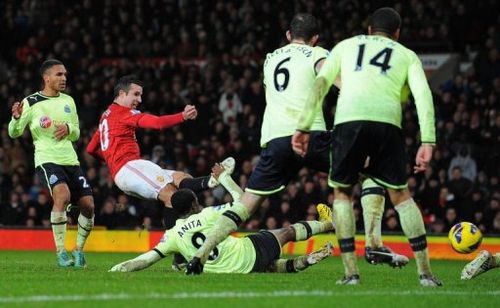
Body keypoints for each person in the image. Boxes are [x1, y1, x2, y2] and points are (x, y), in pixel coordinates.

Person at [186, 13, 407, 275]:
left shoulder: (270, 59)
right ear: (315, 39)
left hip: (275, 142)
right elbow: (341, 84)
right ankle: (373, 244)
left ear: (289, 35)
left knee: (245, 204)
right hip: (310, 136)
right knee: (373, 171)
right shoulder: (317, 54)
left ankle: (199, 256)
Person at [292, 7, 441, 286]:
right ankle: (426, 275)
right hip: (388, 122)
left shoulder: (345, 46)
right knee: (401, 195)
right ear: (397, 34)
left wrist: (302, 126)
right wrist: (428, 141)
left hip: (349, 121)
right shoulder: (407, 55)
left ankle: (351, 274)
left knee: (342, 194)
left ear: (369, 30)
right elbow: (423, 96)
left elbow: (321, 84)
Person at [109, 163, 333, 274]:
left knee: (272, 267)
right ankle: (327, 223)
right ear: (195, 204)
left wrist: (117, 269)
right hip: (247, 252)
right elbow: (240, 200)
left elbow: (144, 261)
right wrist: (224, 177)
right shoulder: (208, 214)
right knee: (285, 233)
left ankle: (305, 261)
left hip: (232, 272)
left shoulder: (172, 236)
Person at [86, 75, 234, 208]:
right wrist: (183, 115)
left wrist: (110, 160)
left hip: (129, 170)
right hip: (128, 168)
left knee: (181, 178)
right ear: (121, 94)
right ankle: (211, 184)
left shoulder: (106, 116)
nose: (140, 100)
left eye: (141, 95)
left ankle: (210, 181)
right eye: (136, 94)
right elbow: (157, 123)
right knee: (171, 194)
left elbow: (91, 149)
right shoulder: (123, 113)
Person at [8, 59, 95, 268]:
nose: (63, 78)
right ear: (46, 78)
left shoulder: (69, 101)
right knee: (63, 196)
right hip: (47, 159)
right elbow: (14, 132)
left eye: (64, 74)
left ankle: (79, 251)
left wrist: (68, 128)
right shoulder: (31, 101)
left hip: (71, 160)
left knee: (88, 206)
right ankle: (61, 252)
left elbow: (76, 132)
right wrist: (15, 118)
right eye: (58, 74)